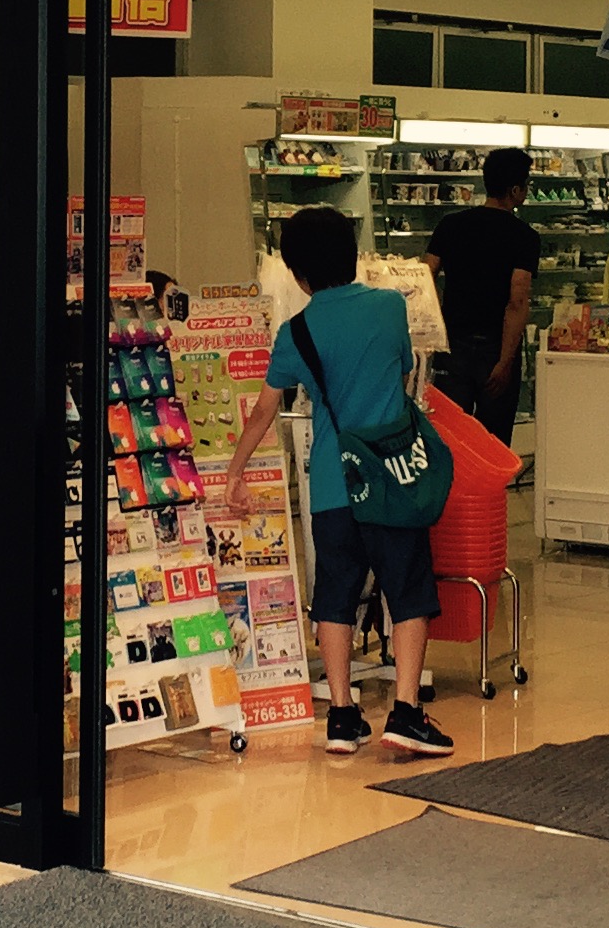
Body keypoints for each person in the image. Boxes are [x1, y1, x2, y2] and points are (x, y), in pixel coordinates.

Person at [224, 205, 453, 761]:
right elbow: (402, 371)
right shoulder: (388, 307)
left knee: (334, 594)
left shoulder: (295, 332)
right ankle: (406, 713)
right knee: (408, 591)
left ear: (298, 274)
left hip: (331, 482)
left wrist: (235, 472)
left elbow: (264, 410)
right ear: (352, 256)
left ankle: (343, 717)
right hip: (390, 479)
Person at [426, 146, 538, 443]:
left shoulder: (450, 225)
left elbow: (425, 276)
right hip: (495, 346)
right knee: (494, 440)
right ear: (515, 190)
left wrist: (437, 327)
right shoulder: (525, 236)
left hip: (451, 345)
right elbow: (517, 301)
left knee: (450, 436)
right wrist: (505, 361)